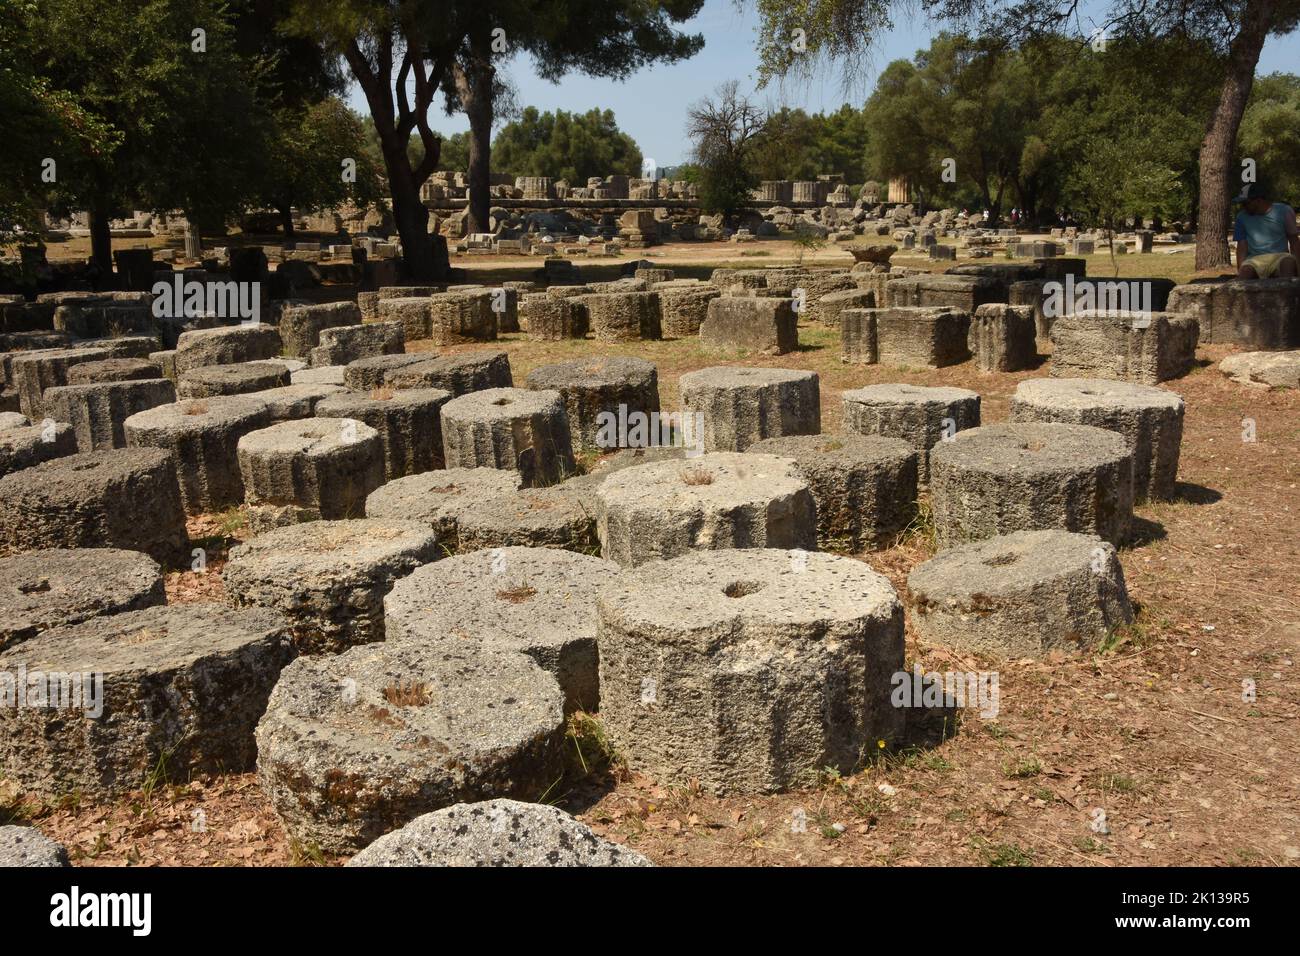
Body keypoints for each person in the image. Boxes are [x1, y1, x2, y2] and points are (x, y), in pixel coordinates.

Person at [1232, 182, 1300, 278]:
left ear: (1258, 200)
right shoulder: (1241, 217)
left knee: (1288, 264)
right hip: (1254, 260)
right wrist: (1240, 270)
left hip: (1280, 256)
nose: (1243, 207)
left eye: (1245, 203)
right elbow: (1242, 246)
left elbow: (1294, 241)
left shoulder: (1284, 211)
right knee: (1246, 271)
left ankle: (1287, 291)